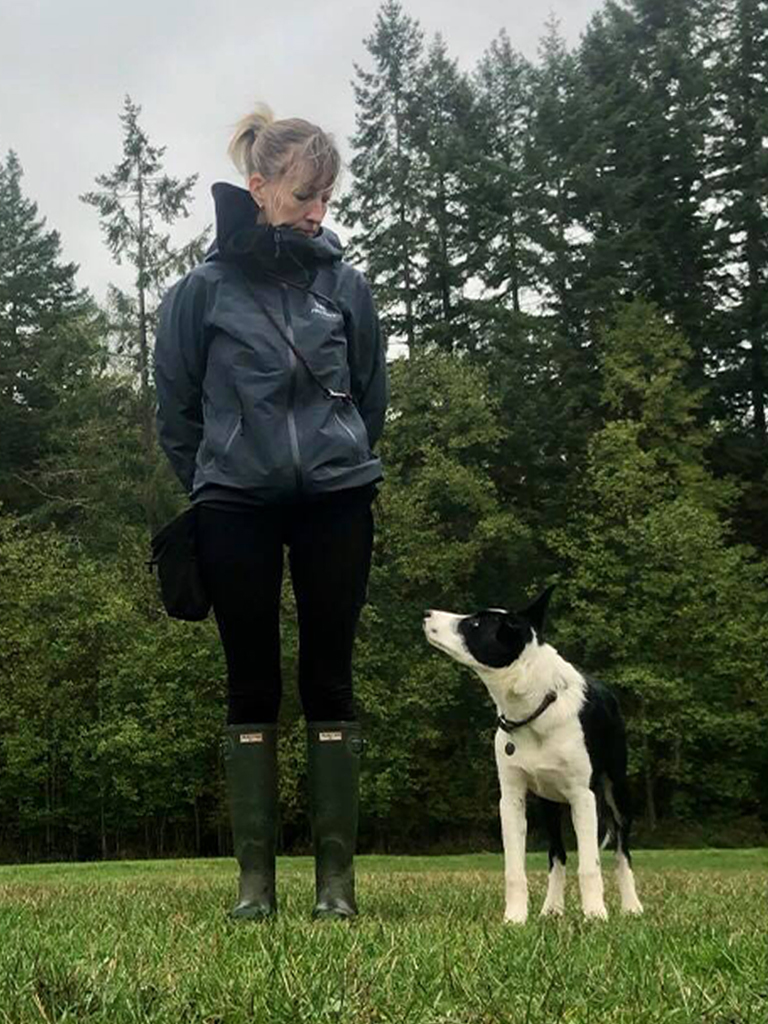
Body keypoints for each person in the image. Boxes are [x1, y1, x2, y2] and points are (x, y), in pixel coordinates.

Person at [153, 104, 388, 920]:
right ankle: (256, 889)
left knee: (330, 674)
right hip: (234, 508)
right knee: (250, 681)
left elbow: (368, 396)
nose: (317, 213)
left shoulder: (347, 287)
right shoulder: (199, 293)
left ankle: (336, 889)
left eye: (325, 198)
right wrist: (216, 478)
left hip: (336, 501)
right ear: (259, 189)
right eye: (301, 197)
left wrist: (340, 463)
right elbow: (175, 409)